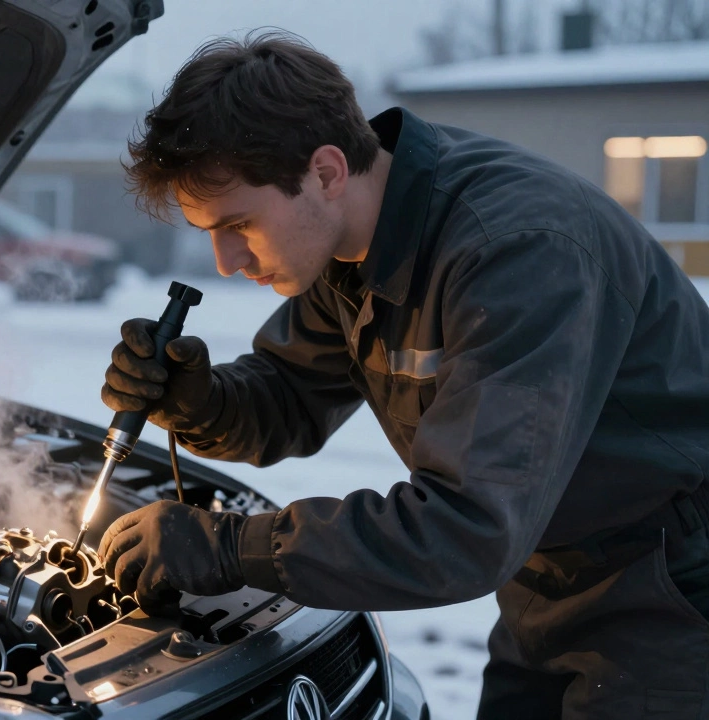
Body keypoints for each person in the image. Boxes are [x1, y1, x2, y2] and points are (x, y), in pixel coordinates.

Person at [97, 30, 709, 719]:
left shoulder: (515, 255)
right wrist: (201, 401)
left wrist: (234, 549)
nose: (226, 260)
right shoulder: (352, 241)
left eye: (239, 223)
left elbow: (463, 530)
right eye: (209, 230)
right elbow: (289, 396)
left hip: (674, 588)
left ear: (326, 171)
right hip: (547, 578)